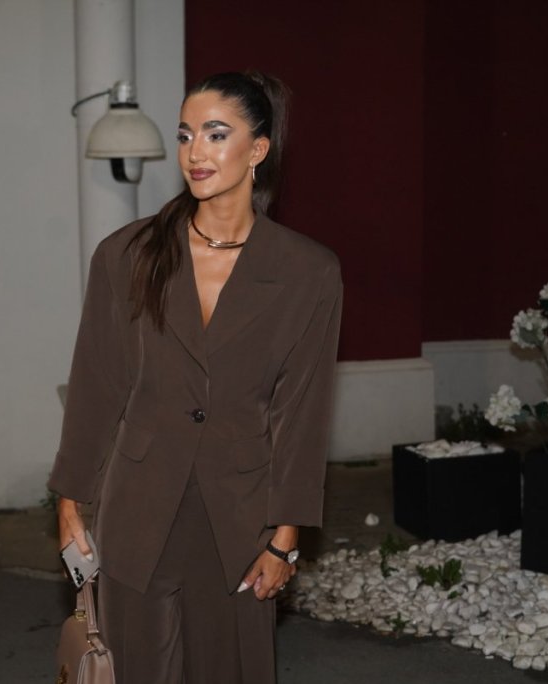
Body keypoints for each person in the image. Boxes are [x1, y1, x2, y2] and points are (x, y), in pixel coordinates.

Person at [49, 72, 343, 683]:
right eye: (186, 135)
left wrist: (285, 536)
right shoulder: (128, 255)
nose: (195, 152)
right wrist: (71, 498)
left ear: (257, 149)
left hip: (239, 519)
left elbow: (302, 413)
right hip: (138, 509)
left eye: (215, 134)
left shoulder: (307, 271)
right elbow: (97, 385)